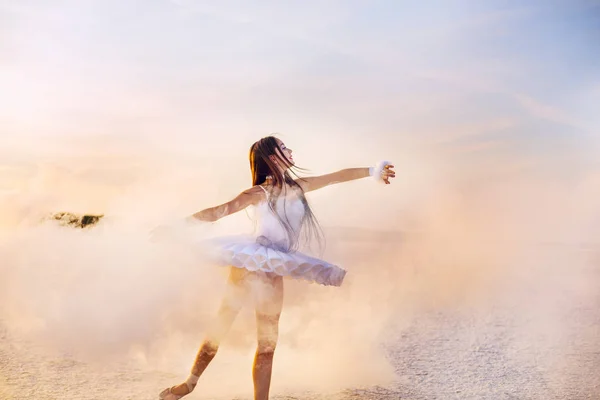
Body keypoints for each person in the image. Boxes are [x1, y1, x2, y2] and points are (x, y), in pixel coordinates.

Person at [159, 136, 395, 400]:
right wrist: (177, 227)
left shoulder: (299, 186)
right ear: (273, 158)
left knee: (268, 343)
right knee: (222, 325)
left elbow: (337, 176)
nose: (290, 150)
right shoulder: (259, 193)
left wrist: (373, 171)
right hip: (251, 261)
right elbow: (218, 212)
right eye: (284, 148)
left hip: (275, 265)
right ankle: (190, 384)